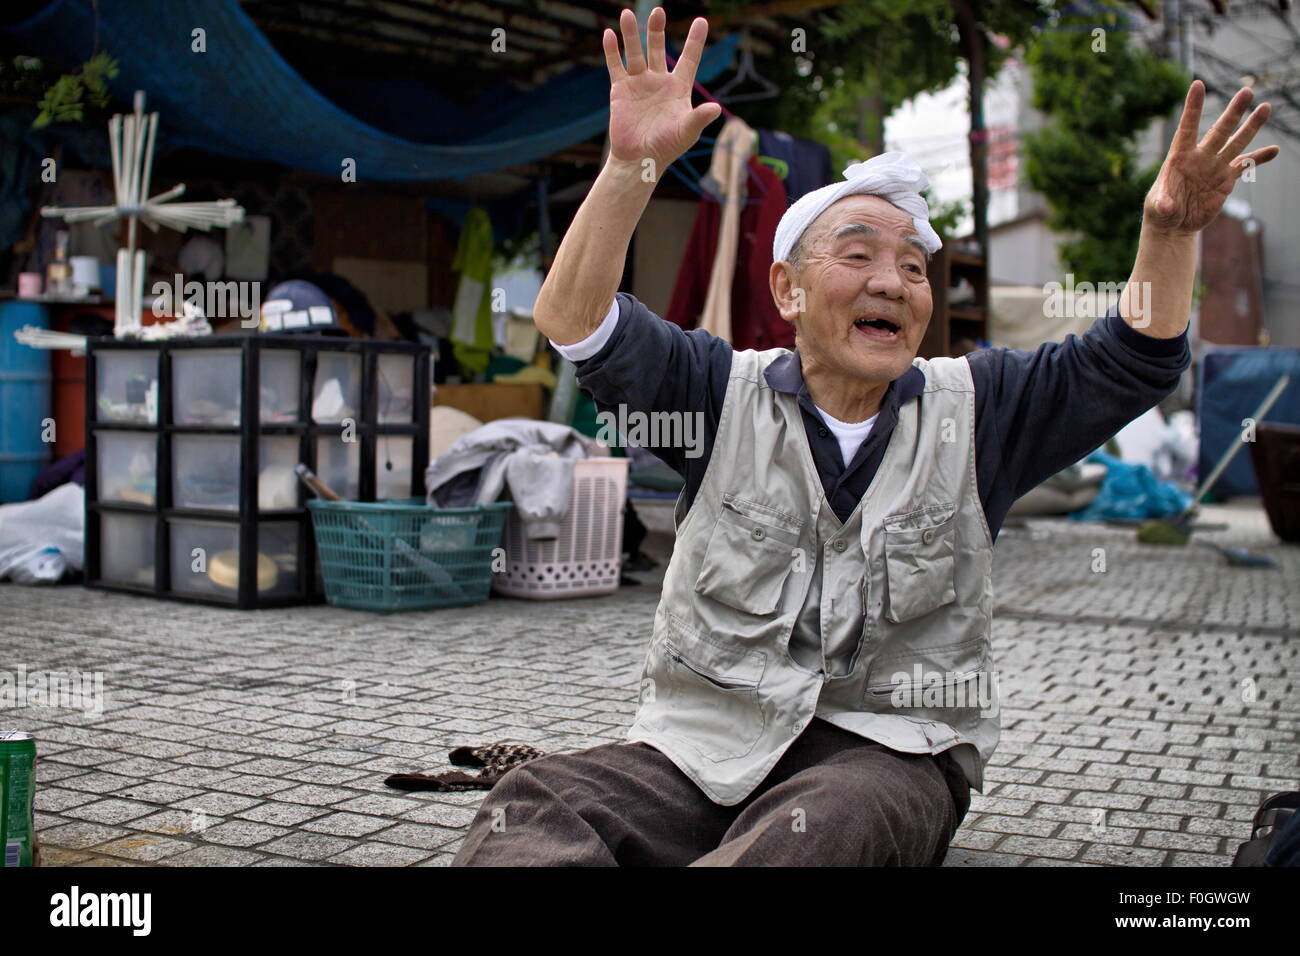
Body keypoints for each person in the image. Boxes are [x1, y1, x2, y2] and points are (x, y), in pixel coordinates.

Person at [452, 6, 1279, 867]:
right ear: (788, 288)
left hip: (886, 754)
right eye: (858, 256)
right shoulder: (713, 392)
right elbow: (573, 319)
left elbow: (1132, 362)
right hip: (705, 753)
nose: (894, 281)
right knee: (537, 801)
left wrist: (1171, 232)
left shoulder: (982, 410)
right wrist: (630, 169)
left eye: (915, 269)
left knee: (836, 824)